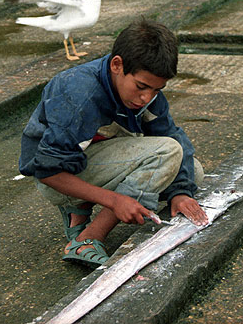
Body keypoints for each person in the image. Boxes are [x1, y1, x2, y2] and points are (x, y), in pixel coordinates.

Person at [19, 17, 207, 268]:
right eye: (141, 86)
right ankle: (88, 237)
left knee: (192, 173)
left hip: (94, 162)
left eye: (156, 90)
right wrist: (115, 200)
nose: (146, 97)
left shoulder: (146, 95)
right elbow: (47, 171)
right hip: (57, 178)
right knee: (167, 154)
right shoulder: (78, 91)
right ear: (117, 65)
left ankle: (80, 206)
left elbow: (172, 135)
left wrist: (180, 192)